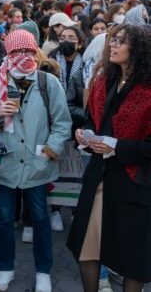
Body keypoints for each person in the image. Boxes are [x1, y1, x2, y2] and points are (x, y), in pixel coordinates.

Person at [0, 30, 71, 292]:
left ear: (35, 52)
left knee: (40, 217)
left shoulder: (47, 82)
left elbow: (62, 122)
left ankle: (44, 272)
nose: (23, 57)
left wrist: (49, 152)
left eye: (28, 51)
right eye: (16, 52)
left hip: (37, 162)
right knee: (5, 218)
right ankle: (5, 268)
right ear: (8, 54)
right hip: (5, 160)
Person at [67, 25, 151, 292]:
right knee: (86, 248)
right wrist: (85, 134)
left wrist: (115, 146)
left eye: (120, 42)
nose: (112, 45)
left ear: (137, 49)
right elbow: (97, 122)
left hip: (135, 183)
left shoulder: (148, 89)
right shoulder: (104, 81)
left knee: (132, 259)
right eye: (112, 40)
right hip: (100, 177)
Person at [49, 26, 87, 91]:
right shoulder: (51, 61)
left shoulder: (85, 63)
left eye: (71, 38)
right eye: (63, 38)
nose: (66, 41)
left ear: (80, 44)